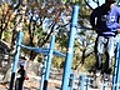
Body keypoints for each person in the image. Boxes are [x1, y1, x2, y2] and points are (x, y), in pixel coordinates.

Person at [90, 0, 120, 81]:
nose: (110, 5)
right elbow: (92, 17)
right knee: (98, 52)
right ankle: (98, 68)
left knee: (110, 54)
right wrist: (94, 25)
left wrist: (118, 28)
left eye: (112, 4)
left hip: (111, 35)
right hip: (101, 34)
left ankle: (107, 72)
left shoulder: (117, 10)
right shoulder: (100, 10)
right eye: (109, 3)